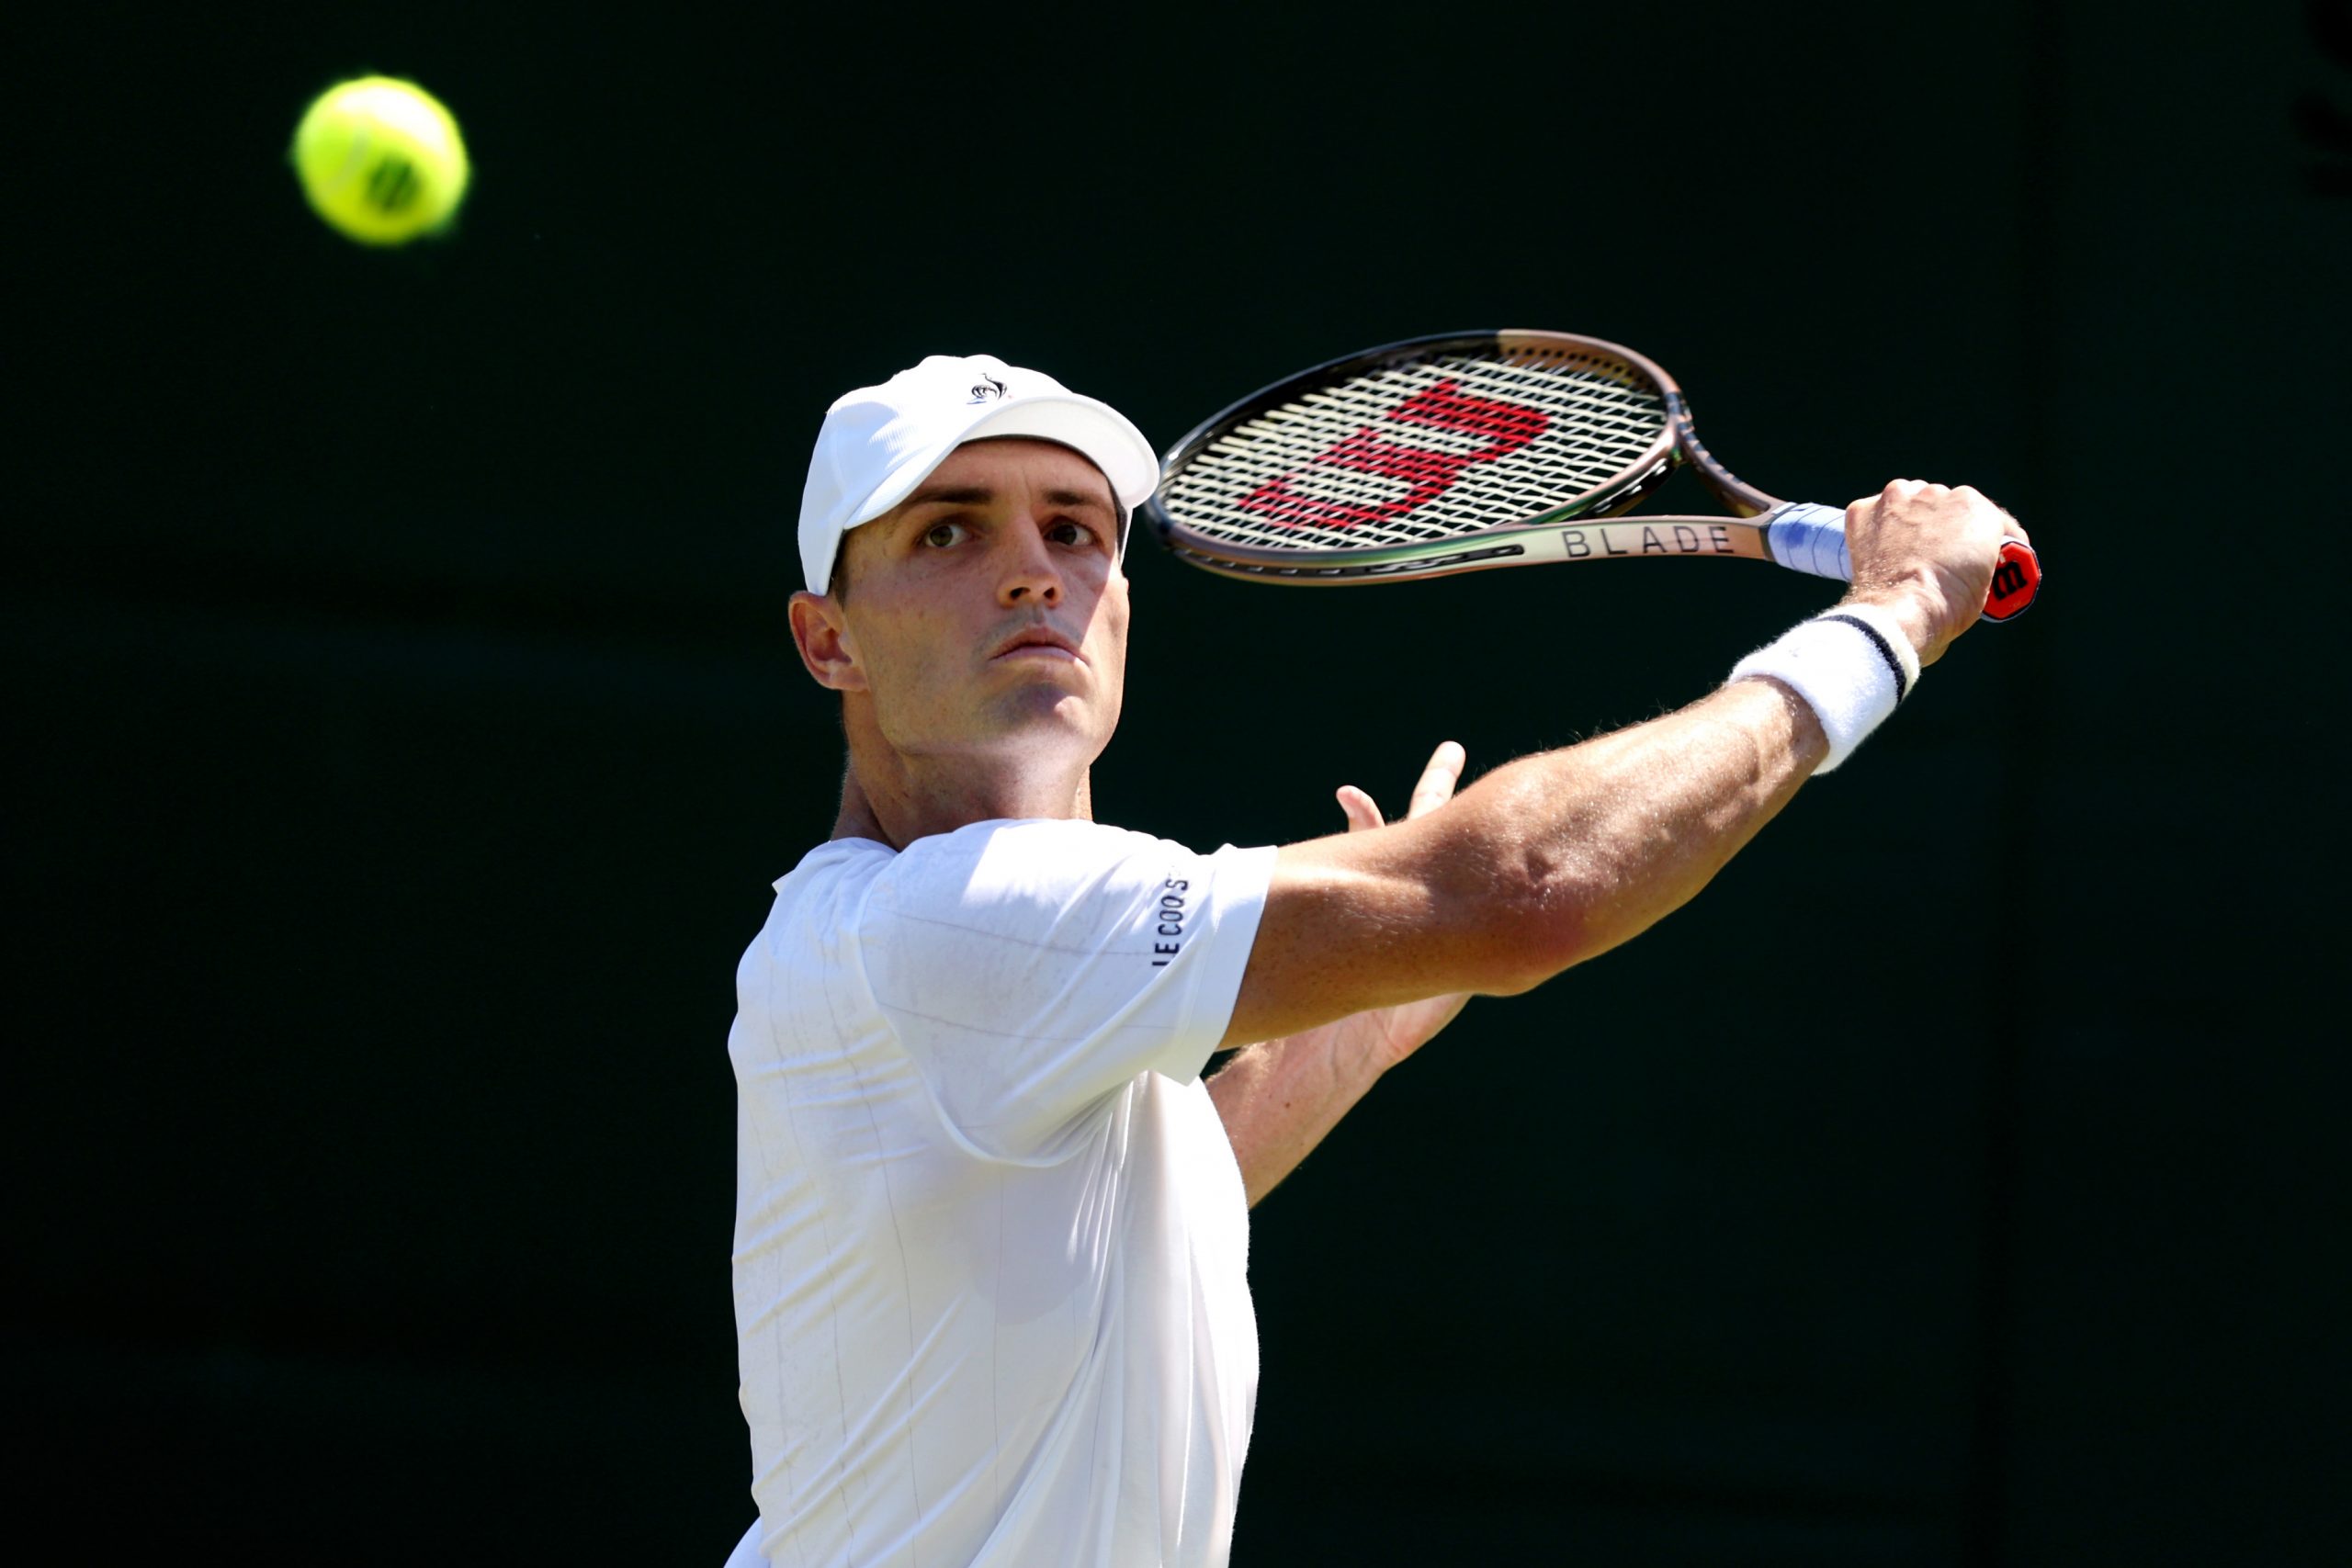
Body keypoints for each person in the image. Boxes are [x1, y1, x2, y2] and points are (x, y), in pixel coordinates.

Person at [721, 353, 2028, 1568]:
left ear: (1121, 608)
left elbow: (1085, 1239)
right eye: (947, 531)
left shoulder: (915, 956)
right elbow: (1525, 891)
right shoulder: (943, 920)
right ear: (828, 638)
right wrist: (1895, 614)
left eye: (1073, 529)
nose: (1030, 570)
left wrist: (1339, 1037)